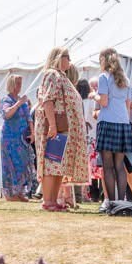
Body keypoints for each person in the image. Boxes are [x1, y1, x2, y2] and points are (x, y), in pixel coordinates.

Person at [35, 47, 88, 211]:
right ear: (58, 58)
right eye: (67, 57)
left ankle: (54, 200)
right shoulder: (52, 74)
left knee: (59, 165)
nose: (70, 61)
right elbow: (48, 100)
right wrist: (52, 125)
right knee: (51, 163)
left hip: (63, 127)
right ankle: (48, 200)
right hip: (56, 126)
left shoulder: (62, 76)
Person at [93, 48, 132, 204]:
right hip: (123, 123)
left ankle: (112, 202)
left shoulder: (103, 77)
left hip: (107, 122)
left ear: (103, 60)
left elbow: (104, 101)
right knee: (119, 165)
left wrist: (94, 95)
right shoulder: (124, 78)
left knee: (108, 166)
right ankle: (121, 201)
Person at [0, 74, 36, 201]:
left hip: (22, 139)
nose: (19, 86)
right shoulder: (6, 99)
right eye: (17, 83)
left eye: (21, 83)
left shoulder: (23, 100)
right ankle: (10, 193)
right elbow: (6, 114)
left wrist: (32, 132)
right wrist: (19, 103)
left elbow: (29, 118)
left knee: (22, 164)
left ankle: (20, 191)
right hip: (9, 139)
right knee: (11, 165)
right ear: (11, 84)